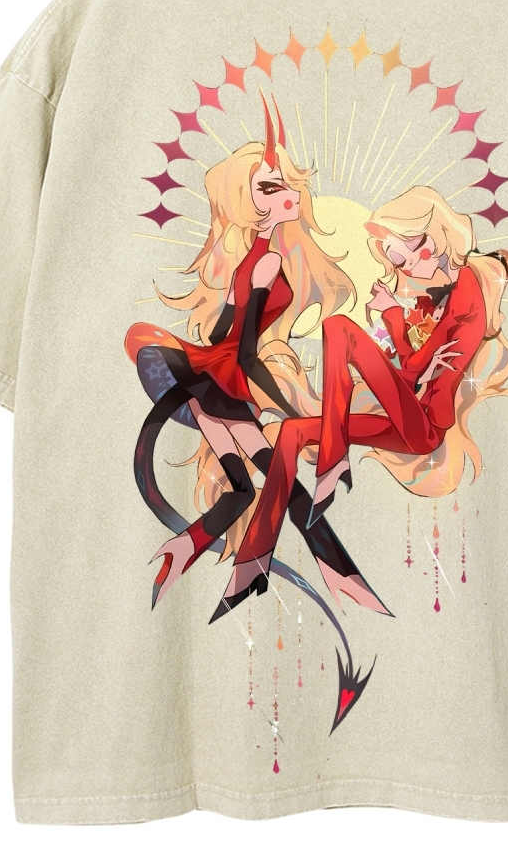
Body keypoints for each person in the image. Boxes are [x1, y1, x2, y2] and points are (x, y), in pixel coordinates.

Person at [213, 186, 508, 621]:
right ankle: (254, 560)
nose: (409, 267)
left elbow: (414, 367)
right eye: (398, 261)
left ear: (436, 233)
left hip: (424, 425)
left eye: (412, 250)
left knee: (339, 329)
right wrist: (407, 340)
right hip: (410, 418)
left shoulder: (468, 287)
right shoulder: (437, 300)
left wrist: (393, 317)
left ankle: (333, 458)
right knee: (290, 433)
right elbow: (412, 369)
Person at [124, 89, 363, 609]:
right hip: (224, 383)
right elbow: (245, 350)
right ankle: (341, 576)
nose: (288, 194)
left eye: (287, 184)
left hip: (211, 379)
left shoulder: (254, 257)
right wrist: (294, 410)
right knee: (278, 484)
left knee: (244, 490)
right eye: (270, 187)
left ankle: (183, 550)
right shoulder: (266, 263)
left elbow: (223, 334)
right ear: (247, 201)